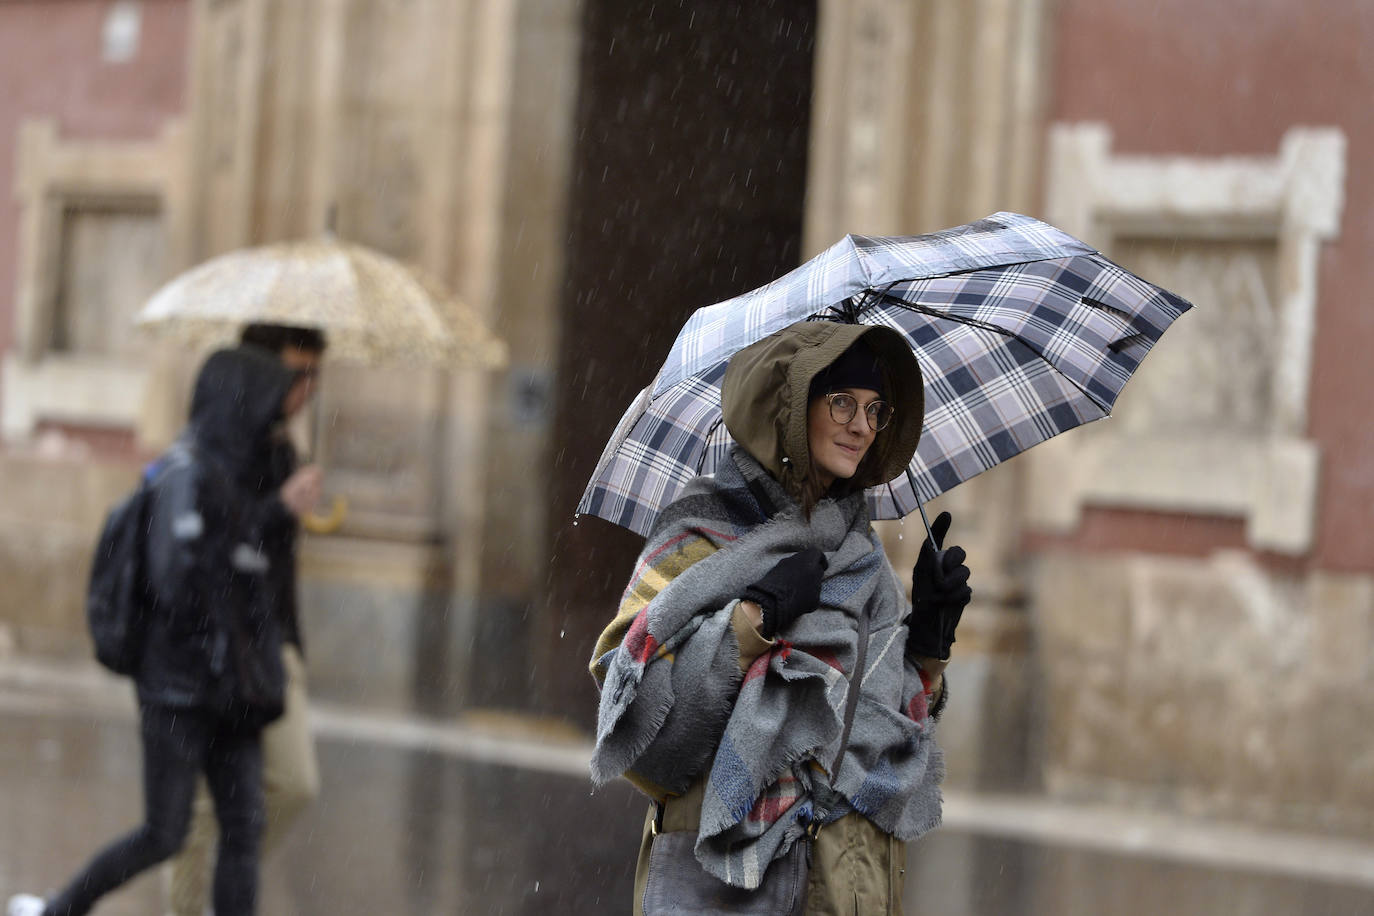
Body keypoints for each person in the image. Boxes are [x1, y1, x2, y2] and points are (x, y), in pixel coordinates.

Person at [589, 319, 973, 914]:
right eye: (841, 401)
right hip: (725, 886)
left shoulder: (860, 553)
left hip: (847, 881)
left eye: (876, 410)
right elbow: (641, 722)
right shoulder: (704, 531)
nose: (861, 427)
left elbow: (883, 729)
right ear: (790, 408)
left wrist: (928, 639)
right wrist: (753, 617)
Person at [8, 346, 318, 916]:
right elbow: (184, 582)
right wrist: (260, 529)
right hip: (180, 691)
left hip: (236, 689)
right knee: (165, 831)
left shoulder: (244, 471)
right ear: (238, 402)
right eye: (271, 400)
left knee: (244, 830)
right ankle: (59, 908)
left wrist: (274, 513)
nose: (278, 414)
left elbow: (243, 564)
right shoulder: (185, 472)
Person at [164, 323, 326, 916]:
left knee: (293, 784)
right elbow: (217, 551)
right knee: (209, 804)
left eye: (313, 375)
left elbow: (273, 571)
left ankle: (224, 885)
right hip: (220, 645)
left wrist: (294, 646)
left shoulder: (284, 450)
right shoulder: (219, 447)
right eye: (294, 372)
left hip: (271, 644)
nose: (303, 388)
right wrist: (277, 508)